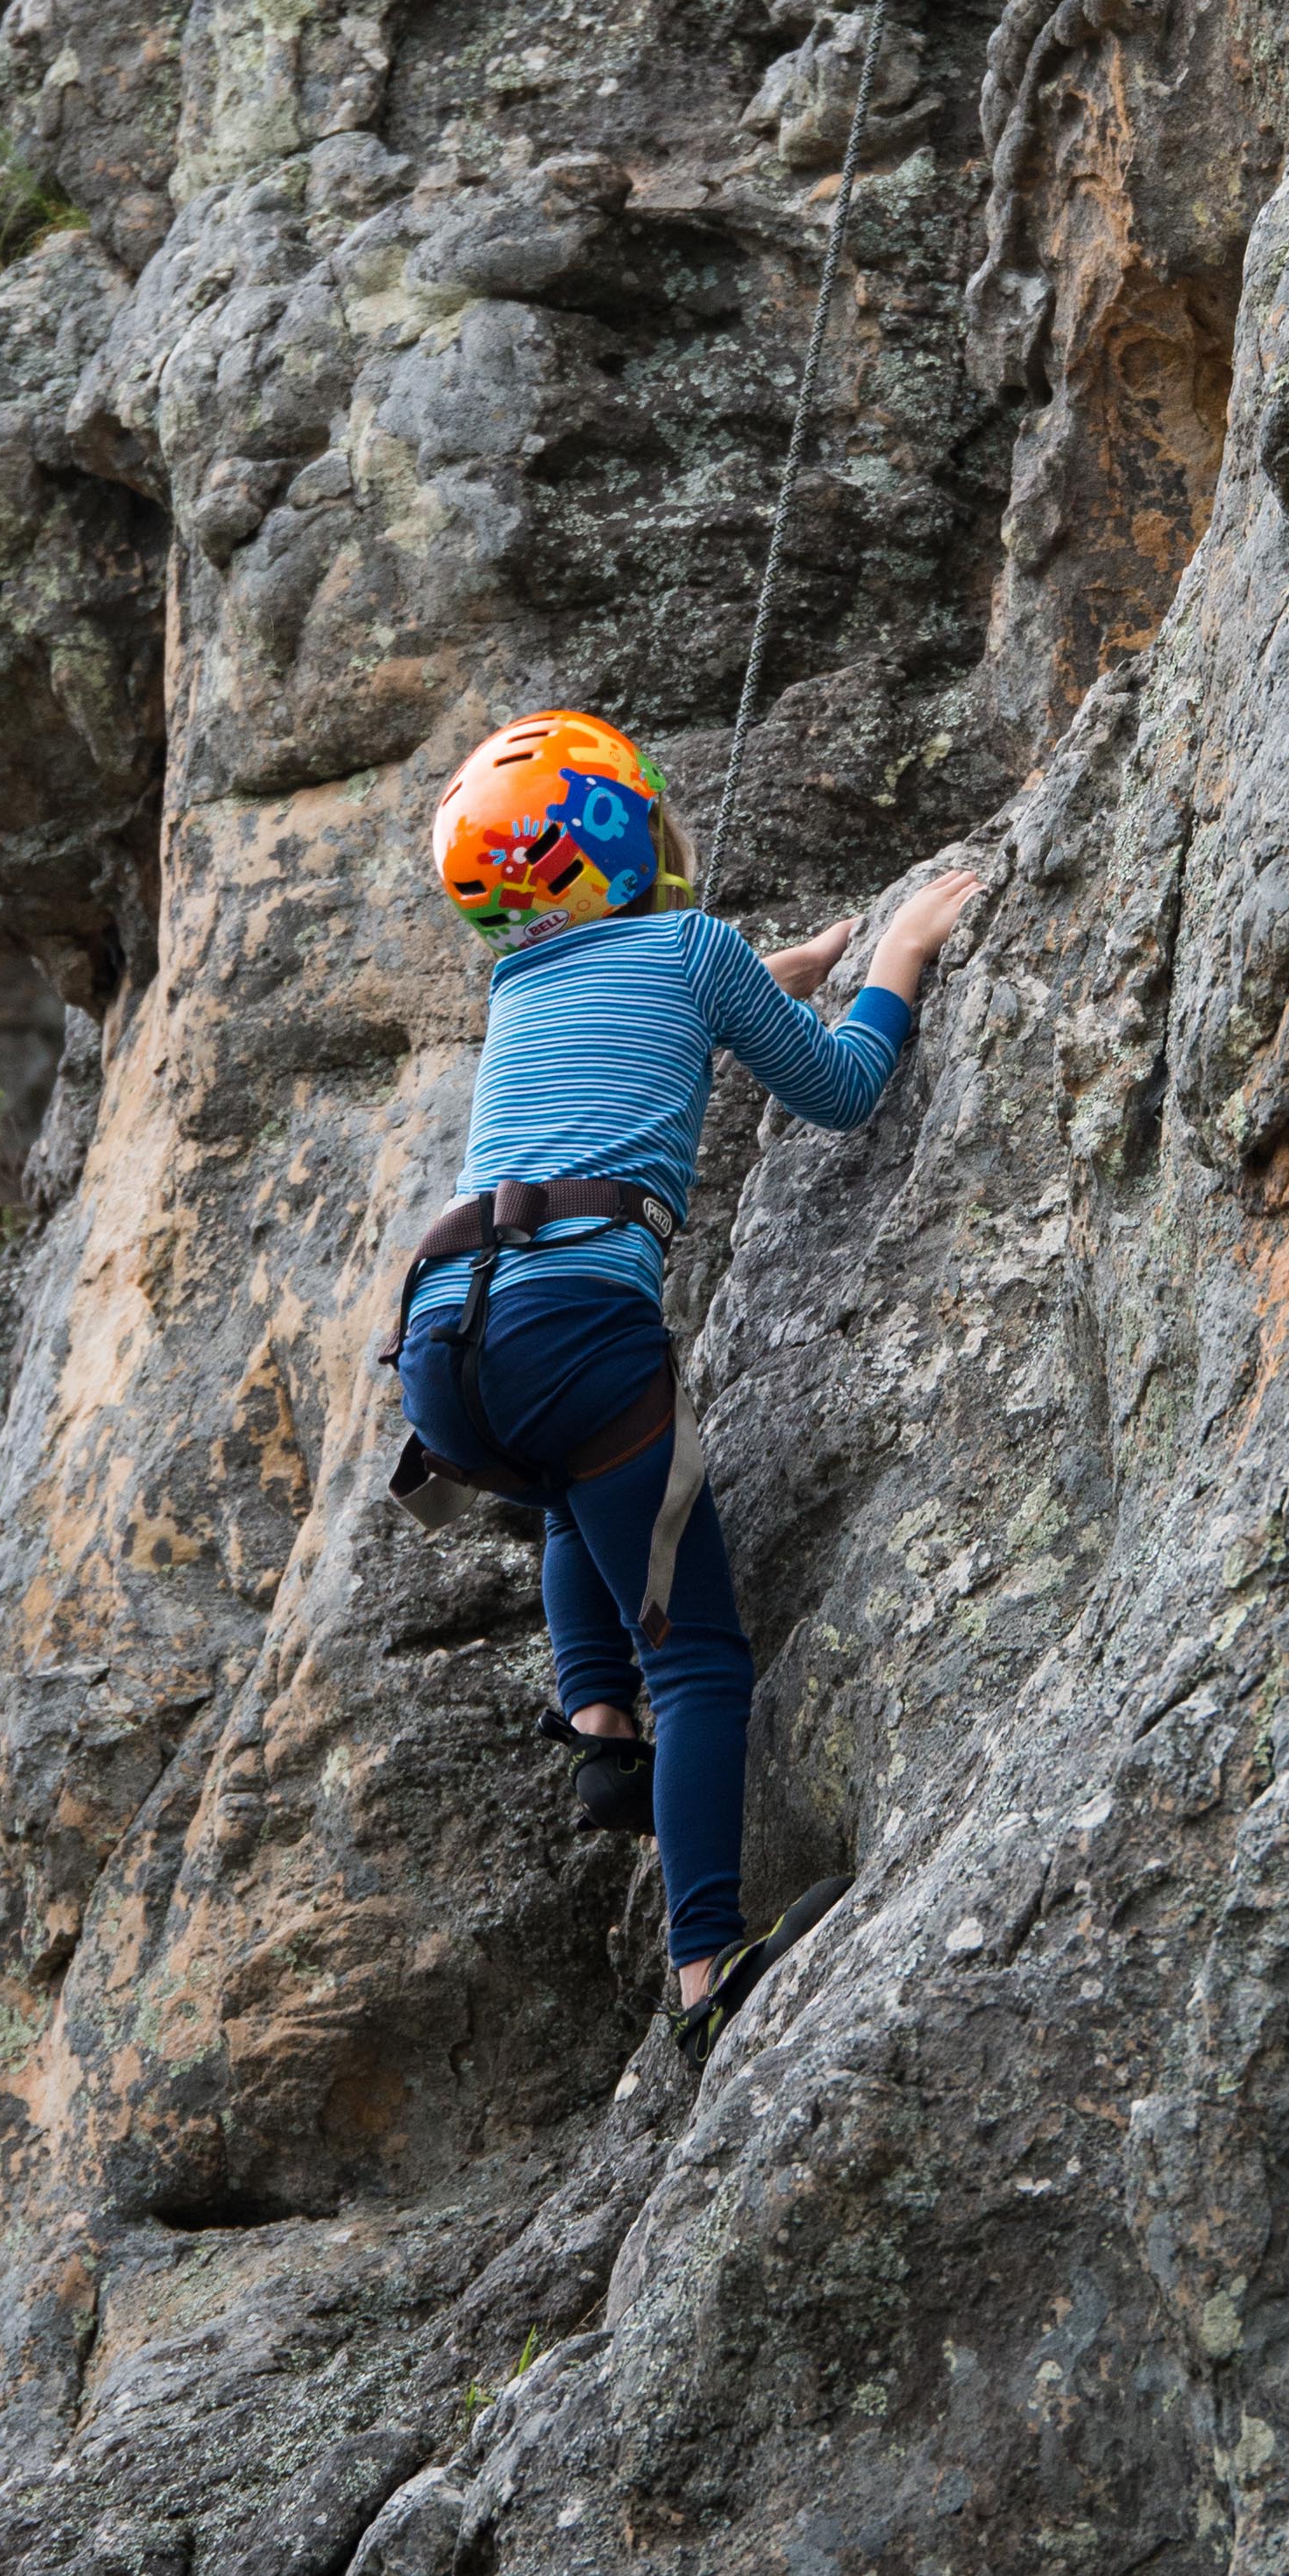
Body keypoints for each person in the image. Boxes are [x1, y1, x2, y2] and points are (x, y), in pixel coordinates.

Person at [385, 708, 979, 2069]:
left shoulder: (519, 992)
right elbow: (840, 1089)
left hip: (444, 1347)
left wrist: (772, 975)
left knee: (566, 1489)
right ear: (623, 837)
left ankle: (597, 1721)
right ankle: (705, 1967)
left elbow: (632, 1027)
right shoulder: (694, 947)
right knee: (699, 1654)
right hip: (573, 1333)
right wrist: (895, 956)